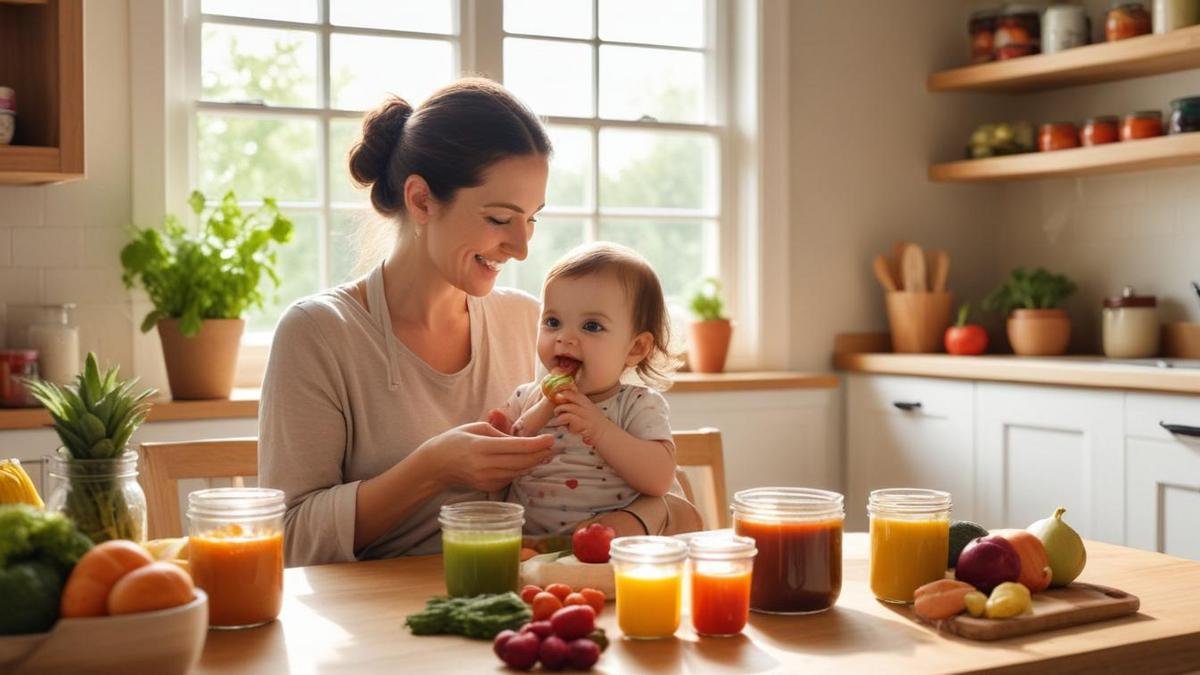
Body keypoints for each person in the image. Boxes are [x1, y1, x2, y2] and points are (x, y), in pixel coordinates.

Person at [259, 78, 701, 567]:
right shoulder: (319, 334)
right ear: (422, 200)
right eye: (499, 219)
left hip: (522, 601)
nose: (522, 246)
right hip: (379, 617)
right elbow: (290, 538)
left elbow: (674, 504)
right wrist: (431, 468)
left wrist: (633, 521)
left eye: (532, 219)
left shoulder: (533, 324)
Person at [490, 243, 678, 535]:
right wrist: (538, 409)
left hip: (603, 551)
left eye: (591, 326)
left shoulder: (637, 405)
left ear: (635, 348)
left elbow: (660, 480)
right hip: (526, 547)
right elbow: (496, 465)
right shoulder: (525, 397)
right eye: (553, 322)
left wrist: (599, 429)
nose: (565, 337)